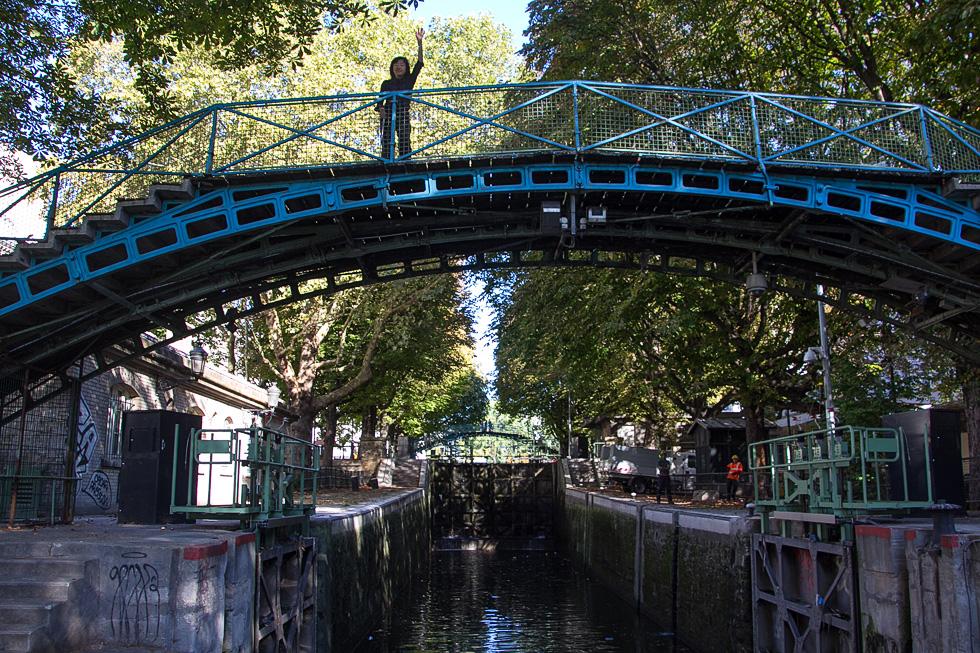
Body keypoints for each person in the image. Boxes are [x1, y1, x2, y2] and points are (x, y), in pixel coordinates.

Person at [377, 28, 425, 160]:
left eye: (402, 65)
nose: (398, 67)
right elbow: (380, 100)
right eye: (396, 65)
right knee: (387, 139)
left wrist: (420, 43)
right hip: (388, 113)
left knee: (404, 138)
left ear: (406, 68)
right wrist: (381, 109)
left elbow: (419, 63)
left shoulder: (409, 80)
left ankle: (405, 161)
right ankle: (386, 160)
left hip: (403, 112)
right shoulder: (386, 83)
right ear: (392, 68)